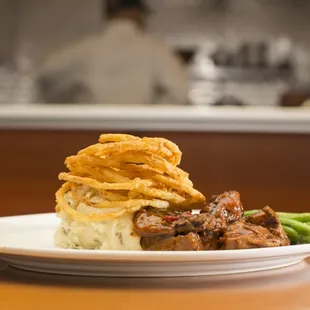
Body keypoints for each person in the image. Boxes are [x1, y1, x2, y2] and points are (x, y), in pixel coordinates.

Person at [37, 0, 188, 105]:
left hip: (90, 136)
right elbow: (180, 94)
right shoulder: (156, 50)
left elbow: (46, 76)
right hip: (136, 137)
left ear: (108, 14)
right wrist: (151, 115)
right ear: (138, 13)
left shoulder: (85, 49)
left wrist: (74, 107)